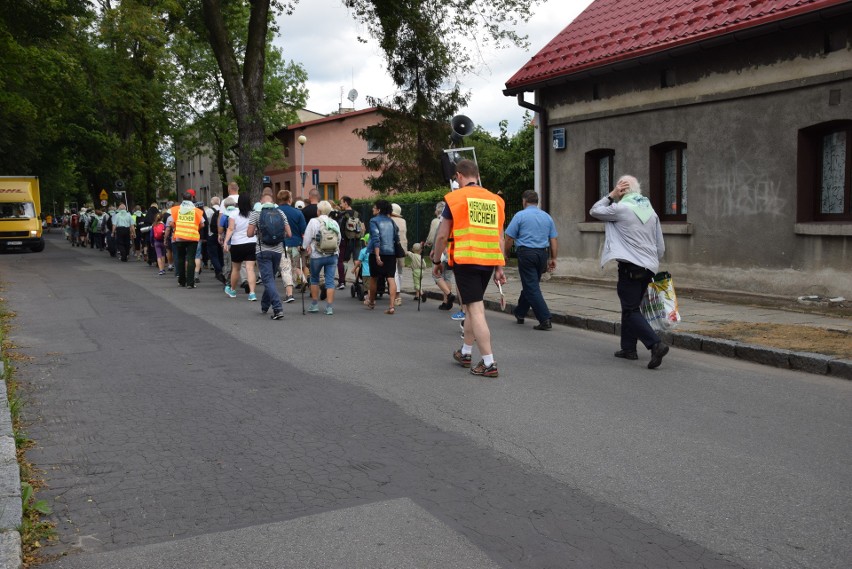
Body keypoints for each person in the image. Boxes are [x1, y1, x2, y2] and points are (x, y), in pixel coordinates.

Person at [430, 159, 506, 378]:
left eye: (456, 178)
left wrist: (436, 262)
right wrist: (500, 266)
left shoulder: (455, 198)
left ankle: (489, 362)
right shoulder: (496, 200)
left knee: (475, 309)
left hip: (467, 258)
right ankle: (465, 352)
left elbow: (442, 235)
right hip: (489, 260)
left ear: (459, 176)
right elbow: (499, 236)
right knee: (474, 306)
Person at [589, 175, 669, 369]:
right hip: (649, 267)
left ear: (622, 190)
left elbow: (594, 211)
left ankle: (655, 344)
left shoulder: (621, 208)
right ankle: (628, 349)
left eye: (619, 190)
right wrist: (651, 262)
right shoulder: (650, 211)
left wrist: (611, 194)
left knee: (631, 309)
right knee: (631, 306)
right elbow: (660, 246)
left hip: (630, 267)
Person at [503, 190, 559, 331]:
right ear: (537, 201)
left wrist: (506, 253)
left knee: (531, 286)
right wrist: (553, 258)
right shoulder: (547, 217)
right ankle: (520, 312)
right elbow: (553, 239)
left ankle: (545, 318)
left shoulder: (520, 216)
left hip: (526, 253)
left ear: (524, 201)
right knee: (531, 284)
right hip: (542, 255)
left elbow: (509, 237)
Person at [248, 189, 291, 319]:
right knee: (270, 278)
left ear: (261, 201)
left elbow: (249, 233)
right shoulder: (280, 212)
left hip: (262, 250)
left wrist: (257, 231)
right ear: (273, 201)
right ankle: (265, 305)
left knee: (268, 280)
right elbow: (289, 234)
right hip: (277, 251)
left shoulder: (256, 213)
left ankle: (277, 308)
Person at [302, 200, 340, 315]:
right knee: (330, 281)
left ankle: (314, 304)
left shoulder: (313, 221)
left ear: (318, 211)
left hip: (317, 254)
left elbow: (307, 239)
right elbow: (338, 238)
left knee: (314, 279)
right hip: (332, 255)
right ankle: (329, 307)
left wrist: (304, 247)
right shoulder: (334, 223)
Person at [165, 192, 205, 288]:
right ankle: (190, 283)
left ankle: (181, 281)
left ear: (182, 199)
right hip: (192, 237)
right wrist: (195, 228)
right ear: (191, 198)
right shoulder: (196, 211)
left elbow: (171, 223)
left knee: (180, 258)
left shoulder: (175, 210)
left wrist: (176, 228)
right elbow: (202, 224)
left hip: (179, 237)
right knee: (191, 259)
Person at [367, 199, 400, 314]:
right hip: (391, 253)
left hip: (377, 253)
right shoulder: (392, 222)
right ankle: (391, 306)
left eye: (374, 207)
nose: (373, 209)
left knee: (374, 278)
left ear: (379, 209)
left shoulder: (373, 221)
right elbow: (396, 237)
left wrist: (377, 255)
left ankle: (371, 302)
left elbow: (376, 238)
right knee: (391, 278)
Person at [223, 193, 258, 300]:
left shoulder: (233, 214)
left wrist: (225, 242)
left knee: (236, 269)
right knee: (250, 269)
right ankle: (252, 293)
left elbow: (230, 229)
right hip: (251, 242)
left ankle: (233, 290)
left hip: (237, 244)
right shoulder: (254, 214)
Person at [425, 201, 456, 311]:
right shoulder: (454, 220)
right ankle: (446, 302)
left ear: (438, 210)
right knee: (447, 277)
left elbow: (436, 237)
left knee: (436, 274)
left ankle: (448, 294)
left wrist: (432, 248)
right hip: (451, 251)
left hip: (441, 252)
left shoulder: (437, 221)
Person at [277, 189, 306, 303]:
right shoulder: (298, 212)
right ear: (289, 199)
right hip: (296, 244)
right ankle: (303, 280)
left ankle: (289, 294)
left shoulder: (276, 211)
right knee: (295, 267)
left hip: (282, 244)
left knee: (285, 269)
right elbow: (303, 231)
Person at [390, 203, 407, 305]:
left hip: (392, 247)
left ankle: (397, 295)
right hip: (402, 248)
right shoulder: (403, 221)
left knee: (394, 272)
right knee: (400, 272)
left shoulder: (390, 220)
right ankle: (398, 294)